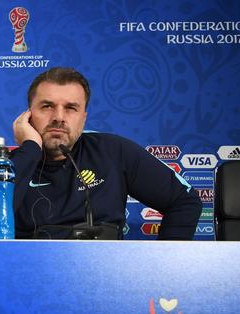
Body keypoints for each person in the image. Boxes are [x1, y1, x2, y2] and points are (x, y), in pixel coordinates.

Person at [11, 67, 202, 239]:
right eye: (47, 106)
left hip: (102, 273)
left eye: (71, 108)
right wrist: (30, 148)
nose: (58, 117)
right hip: (29, 272)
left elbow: (184, 200)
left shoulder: (112, 151)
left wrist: (165, 264)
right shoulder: (6, 167)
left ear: (83, 118)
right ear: (27, 116)